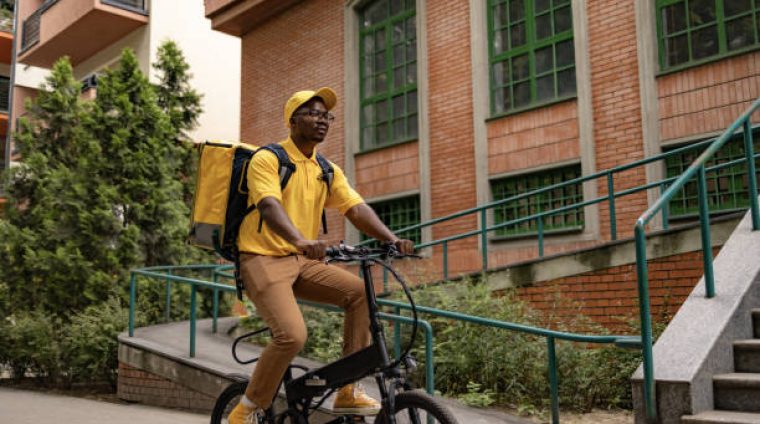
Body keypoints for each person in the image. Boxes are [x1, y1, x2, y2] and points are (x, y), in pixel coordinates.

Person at [228, 87, 415, 424]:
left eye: (326, 115)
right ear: (292, 120)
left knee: (359, 294)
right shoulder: (268, 159)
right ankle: (247, 408)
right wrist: (300, 239)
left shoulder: (327, 170)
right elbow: (269, 205)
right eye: (313, 113)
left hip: (302, 261)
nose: (322, 120)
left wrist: (393, 239)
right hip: (261, 258)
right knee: (292, 335)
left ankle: (347, 390)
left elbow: (355, 209)